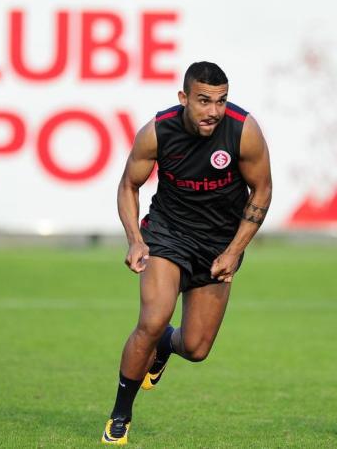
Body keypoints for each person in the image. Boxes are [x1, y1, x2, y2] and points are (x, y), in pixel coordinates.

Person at [101, 61, 272, 445]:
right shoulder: (158, 132)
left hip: (217, 245)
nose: (214, 110)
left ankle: (166, 345)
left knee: (195, 348)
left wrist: (234, 251)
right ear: (184, 99)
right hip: (168, 235)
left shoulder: (244, 132)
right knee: (153, 319)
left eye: (221, 101)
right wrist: (135, 239)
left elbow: (262, 191)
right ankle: (120, 414)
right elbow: (129, 185)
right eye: (204, 101)